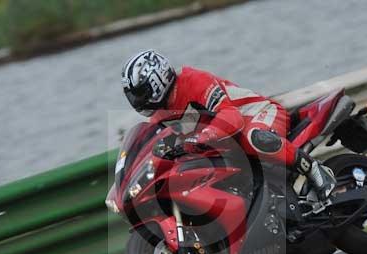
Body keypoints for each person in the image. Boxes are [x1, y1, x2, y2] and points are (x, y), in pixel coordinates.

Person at [121, 50, 336, 200]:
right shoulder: (159, 115)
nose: (137, 100)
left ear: (157, 79)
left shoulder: (193, 81)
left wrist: (202, 137)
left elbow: (232, 117)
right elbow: (158, 141)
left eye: (140, 93)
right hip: (225, 142)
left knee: (254, 137)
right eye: (133, 95)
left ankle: (314, 170)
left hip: (257, 113)